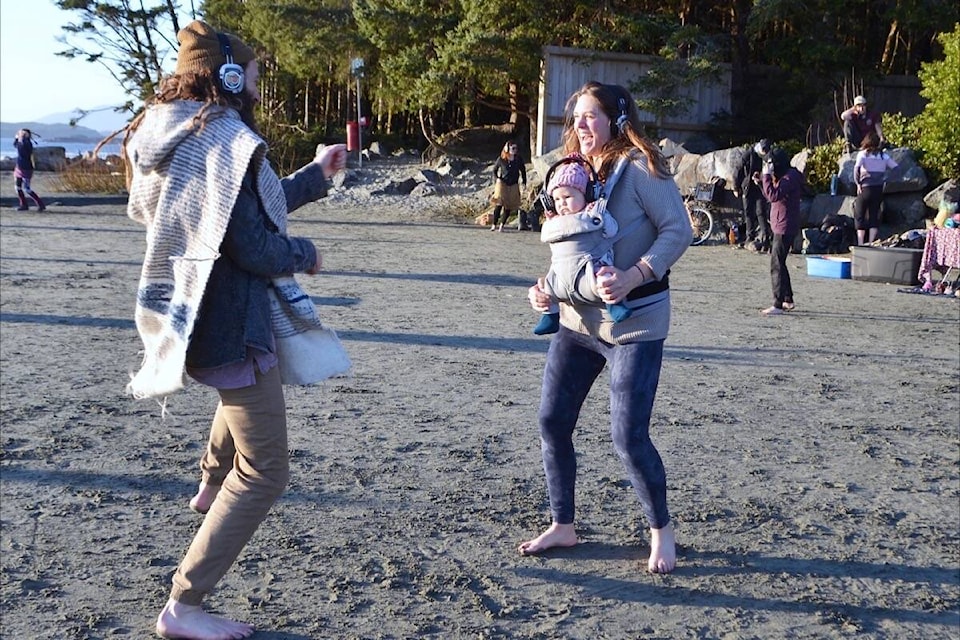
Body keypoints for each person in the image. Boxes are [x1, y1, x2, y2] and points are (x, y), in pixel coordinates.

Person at [122, 20, 348, 640]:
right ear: (226, 73)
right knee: (268, 470)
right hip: (231, 320)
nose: (256, 82)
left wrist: (314, 174)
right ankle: (183, 604)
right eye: (250, 72)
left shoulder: (173, 130)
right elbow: (251, 241)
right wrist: (304, 254)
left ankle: (209, 482)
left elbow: (243, 207)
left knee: (247, 402)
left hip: (199, 311)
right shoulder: (223, 136)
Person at [518, 82, 691, 574]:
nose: (581, 126)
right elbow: (569, 247)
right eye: (576, 118)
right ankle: (564, 526)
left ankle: (662, 531)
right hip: (576, 322)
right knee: (552, 421)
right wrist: (546, 288)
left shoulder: (641, 168)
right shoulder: (576, 173)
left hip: (635, 324)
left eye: (591, 116)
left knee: (628, 436)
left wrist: (635, 274)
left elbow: (679, 230)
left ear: (617, 119)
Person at [533, 158, 632, 335]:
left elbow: (611, 230)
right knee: (546, 286)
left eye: (567, 197)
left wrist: (602, 216)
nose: (562, 203)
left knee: (605, 280)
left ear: (586, 195)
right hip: (561, 270)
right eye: (556, 199)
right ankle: (550, 315)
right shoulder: (555, 220)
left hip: (591, 267)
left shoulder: (592, 213)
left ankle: (615, 304)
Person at [759, 149, 804, 316]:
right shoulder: (790, 176)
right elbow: (772, 194)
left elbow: (773, 195)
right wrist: (762, 181)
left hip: (784, 226)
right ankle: (787, 298)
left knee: (776, 265)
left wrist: (766, 177)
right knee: (781, 262)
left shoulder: (788, 178)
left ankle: (777, 303)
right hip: (784, 224)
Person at [853, 131, 898, 245]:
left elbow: (856, 170)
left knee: (860, 214)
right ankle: (871, 242)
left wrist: (858, 184)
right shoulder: (883, 156)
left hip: (865, 187)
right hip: (878, 188)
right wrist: (886, 178)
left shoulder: (863, 154)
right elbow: (896, 168)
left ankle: (860, 242)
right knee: (874, 215)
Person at [733, 139, 771, 251]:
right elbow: (738, 169)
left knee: (761, 212)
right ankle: (749, 237)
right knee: (748, 212)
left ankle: (765, 237)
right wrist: (736, 187)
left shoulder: (768, 156)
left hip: (760, 186)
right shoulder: (749, 154)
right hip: (748, 187)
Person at [490, 141, 527, 231]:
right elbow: (494, 170)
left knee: (509, 206)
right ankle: (494, 224)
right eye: (513, 148)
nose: (515, 150)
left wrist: (524, 182)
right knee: (499, 203)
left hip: (513, 184)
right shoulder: (501, 159)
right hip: (503, 184)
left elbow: (523, 170)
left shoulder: (518, 159)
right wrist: (497, 178)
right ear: (507, 149)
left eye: (516, 148)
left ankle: (502, 225)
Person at [12, 129, 46, 211]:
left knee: (27, 189)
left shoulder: (27, 143)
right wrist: (17, 138)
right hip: (19, 167)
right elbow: (15, 145)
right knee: (18, 187)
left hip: (26, 168)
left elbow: (23, 148)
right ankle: (23, 205)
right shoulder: (21, 142)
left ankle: (40, 204)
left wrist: (23, 137)